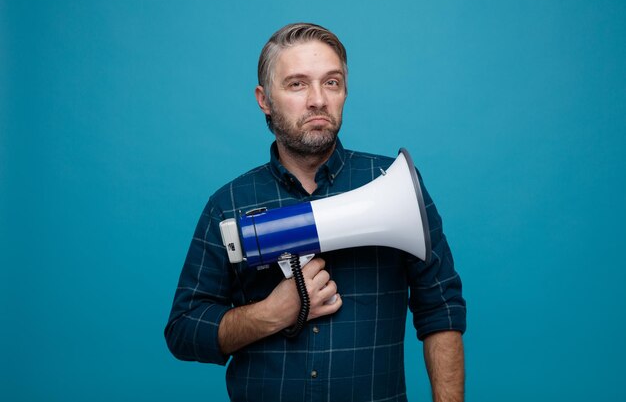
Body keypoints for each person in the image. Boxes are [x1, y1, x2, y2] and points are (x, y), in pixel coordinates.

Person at [165, 23, 466, 402]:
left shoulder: (394, 185)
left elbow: (442, 309)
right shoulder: (228, 205)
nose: (318, 100)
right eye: (297, 84)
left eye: (331, 82)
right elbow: (183, 330)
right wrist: (272, 313)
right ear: (264, 99)